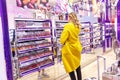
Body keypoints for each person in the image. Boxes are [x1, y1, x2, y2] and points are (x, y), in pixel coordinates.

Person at [60, 12, 82, 80]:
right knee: (77, 65)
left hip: (69, 50)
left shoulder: (68, 26)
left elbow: (62, 39)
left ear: (69, 17)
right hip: (76, 48)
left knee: (70, 67)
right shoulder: (77, 26)